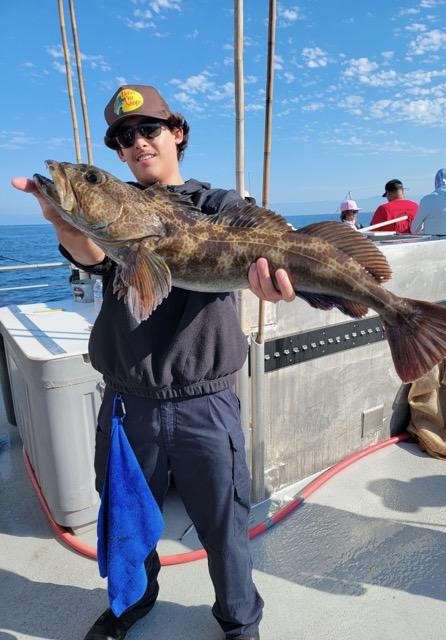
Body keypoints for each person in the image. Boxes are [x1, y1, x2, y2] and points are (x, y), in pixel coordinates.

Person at [12, 84, 296, 640]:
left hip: (205, 403)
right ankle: (131, 602)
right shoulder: (119, 225)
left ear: (177, 133)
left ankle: (239, 620)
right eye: (123, 138)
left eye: (149, 129)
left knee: (224, 523)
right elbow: (96, 257)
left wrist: (278, 281)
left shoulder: (219, 206)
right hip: (127, 402)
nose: (137, 142)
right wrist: (67, 224)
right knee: (123, 519)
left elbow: (255, 242)